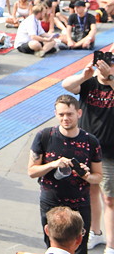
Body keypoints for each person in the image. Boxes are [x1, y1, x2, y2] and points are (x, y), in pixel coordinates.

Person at [28, 94, 104, 254]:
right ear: (55, 114)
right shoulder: (44, 136)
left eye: (69, 114)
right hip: (51, 204)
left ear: (79, 113)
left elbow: (98, 176)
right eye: (61, 114)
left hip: (79, 206)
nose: (65, 118)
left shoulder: (91, 142)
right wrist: (53, 164)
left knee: (79, 250)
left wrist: (87, 176)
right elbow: (32, 171)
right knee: (53, 249)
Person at [62, 60, 114, 254]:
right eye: (103, 63)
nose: (106, 67)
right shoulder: (89, 83)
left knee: (109, 198)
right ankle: (96, 232)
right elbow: (66, 85)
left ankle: (111, 244)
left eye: (110, 63)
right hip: (85, 150)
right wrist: (85, 75)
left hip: (109, 153)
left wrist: (109, 77)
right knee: (90, 192)